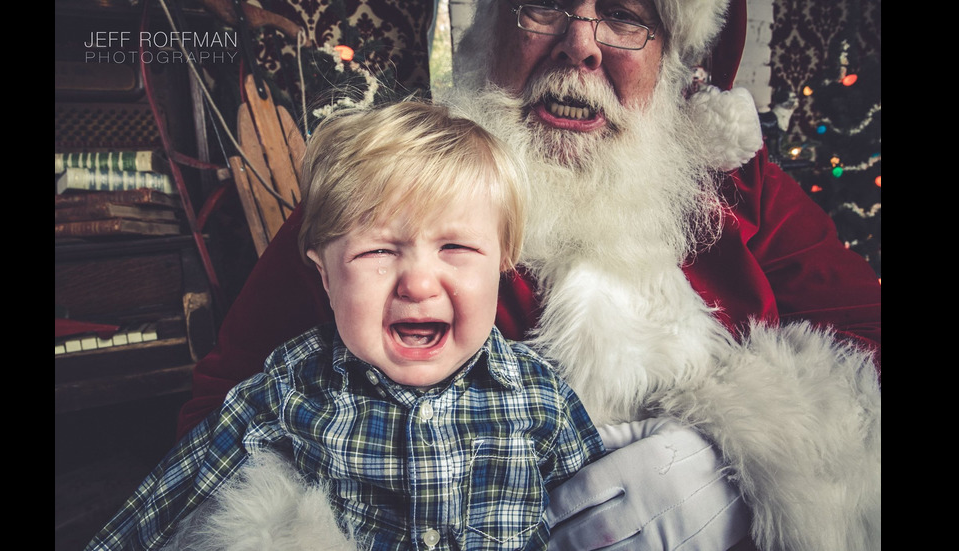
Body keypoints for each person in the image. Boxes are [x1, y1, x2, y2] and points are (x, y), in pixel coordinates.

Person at [176, 1, 882, 550]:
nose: (581, 43)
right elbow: (213, 430)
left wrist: (736, 464)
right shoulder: (385, 188)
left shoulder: (740, 189)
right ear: (490, 27)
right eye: (543, 3)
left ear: (670, 58)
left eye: (627, 16)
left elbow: (867, 342)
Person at [88, 101, 614, 550]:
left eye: (455, 247)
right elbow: (160, 508)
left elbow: (605, 522)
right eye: (379, 250)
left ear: (503, 261)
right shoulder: (288, 388)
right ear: (324, 273)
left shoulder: (540, 396)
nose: (419, 285)